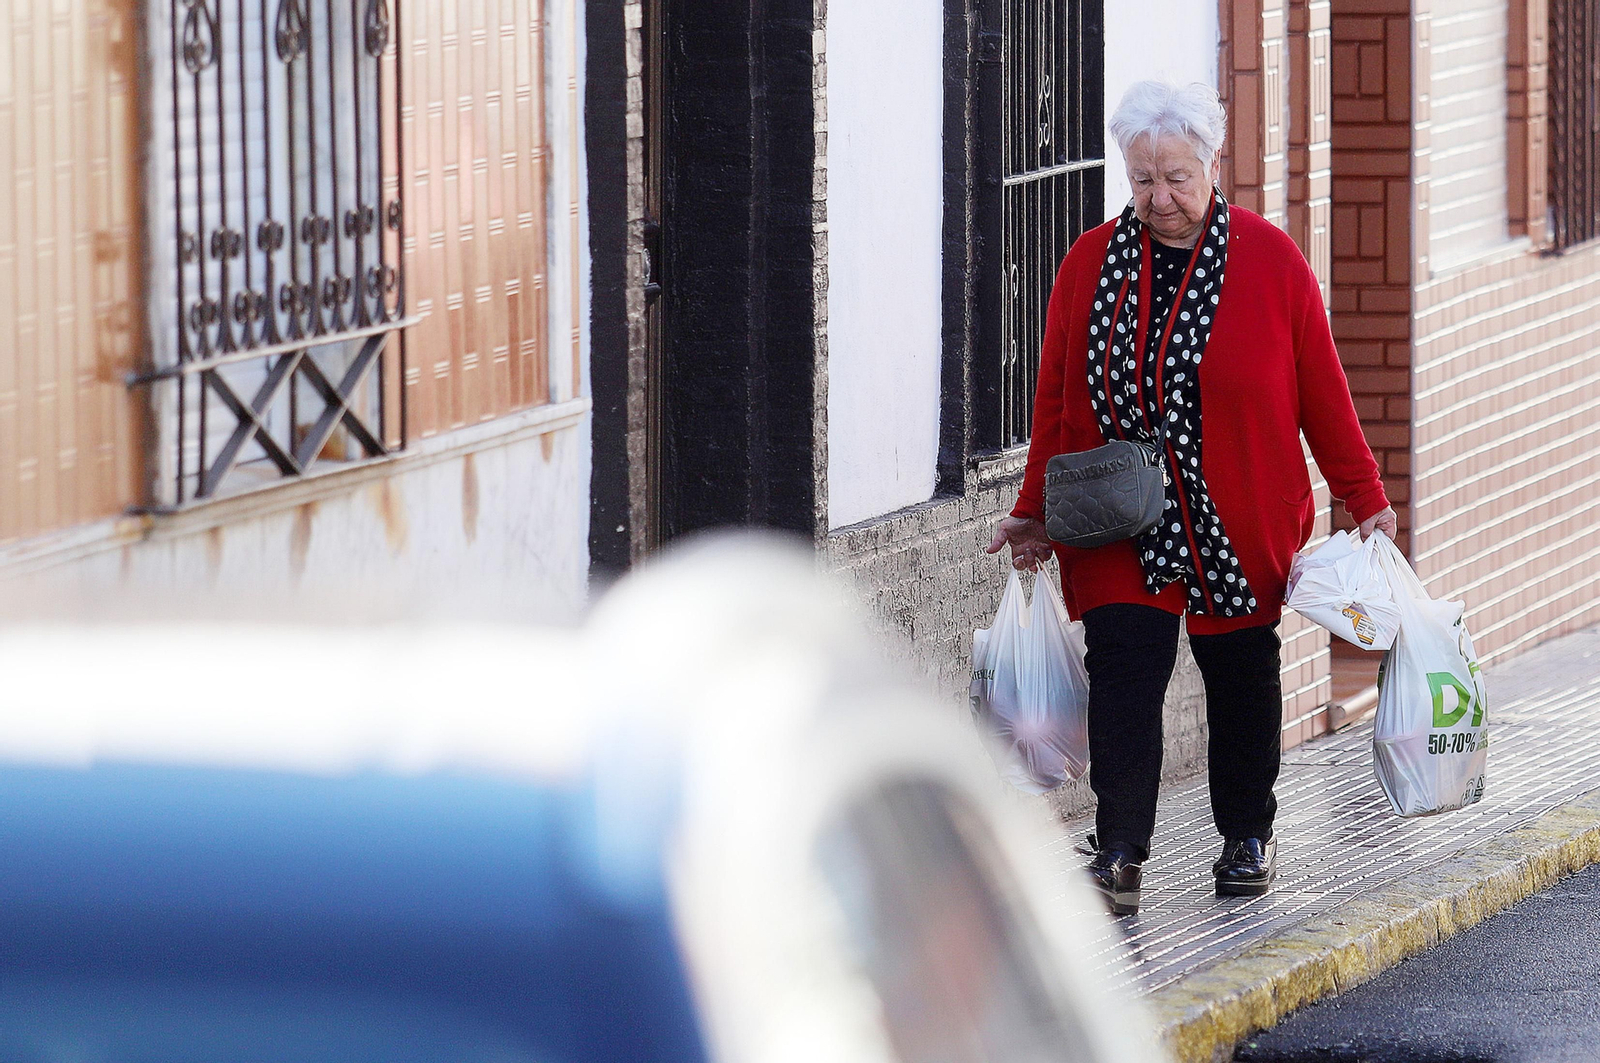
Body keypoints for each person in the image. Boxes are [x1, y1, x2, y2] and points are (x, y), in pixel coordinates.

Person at [985, 80, 1396, 916]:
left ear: (1212, 165)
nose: (1159, 197)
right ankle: (1122, 852)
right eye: (1142, 179)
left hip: (1238, 512)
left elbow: (1322, 389)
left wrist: (1364, 492)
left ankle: (1246, 835)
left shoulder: (1271, 260)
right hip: (1115, 518)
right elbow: (1059, 400)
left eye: (1176, 177)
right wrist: (1034, 508)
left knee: (1241, 673)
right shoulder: (1090, 261)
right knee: (1125, 676)